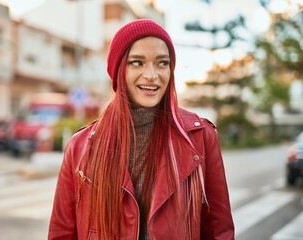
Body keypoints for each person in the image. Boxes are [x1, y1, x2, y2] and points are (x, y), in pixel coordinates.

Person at [48, 19, 235, 240]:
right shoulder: (80, 146)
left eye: (162, 63)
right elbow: (62, 233)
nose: (152, 75)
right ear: (118, 70)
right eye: (137, 62)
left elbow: (219, 231)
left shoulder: (201, 137)